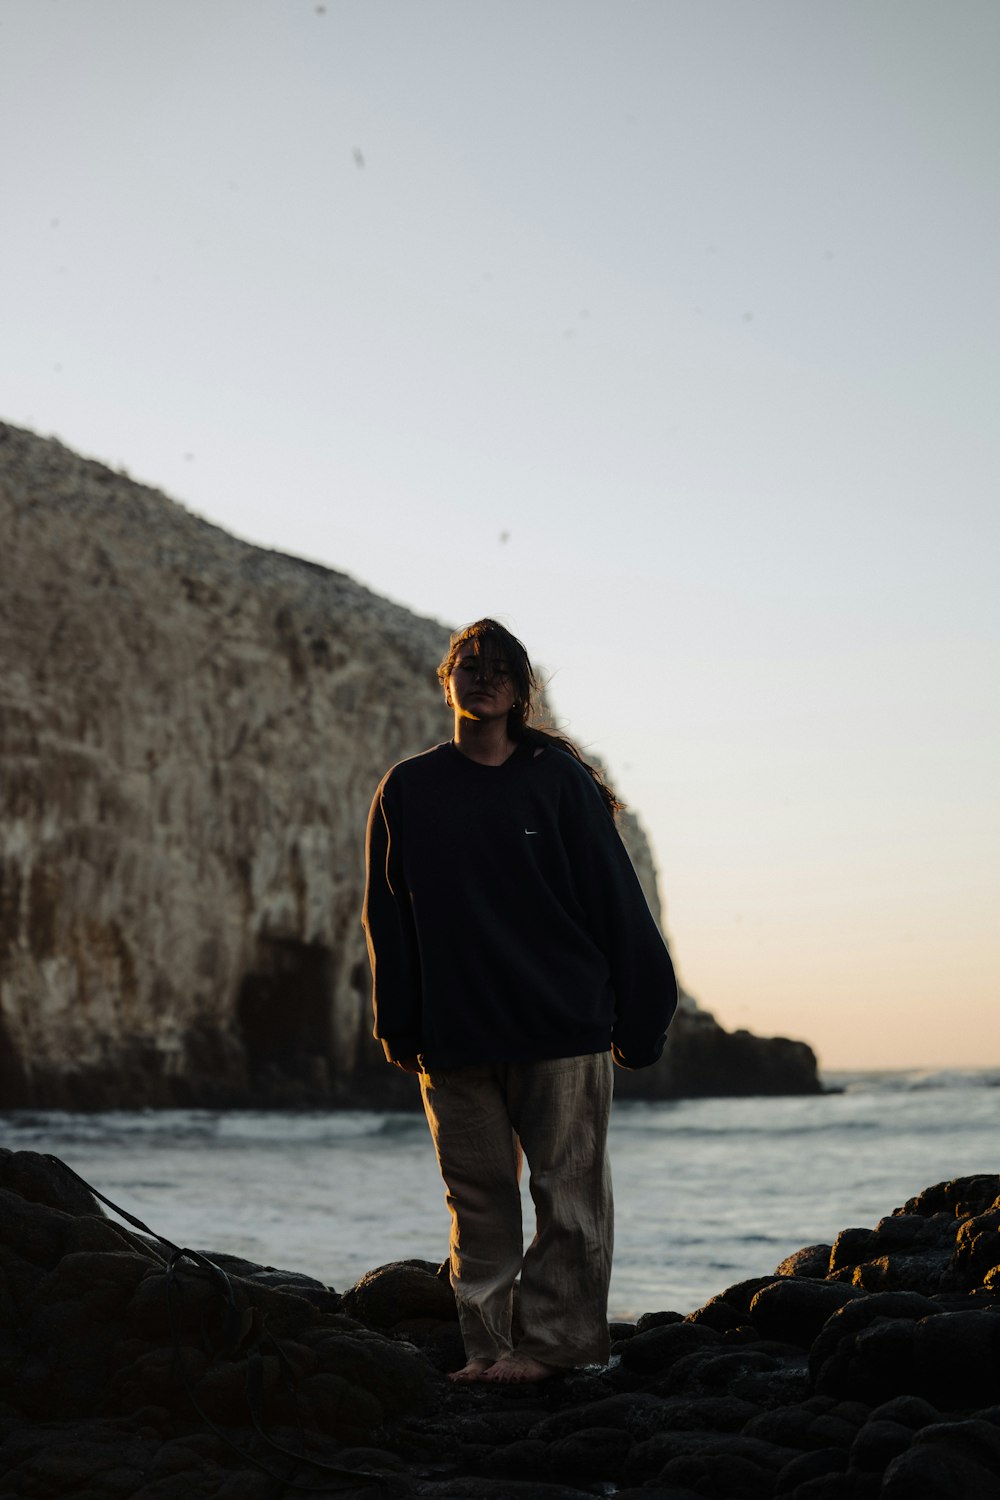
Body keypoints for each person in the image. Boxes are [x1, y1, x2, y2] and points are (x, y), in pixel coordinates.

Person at [362, 618, 677, 1384]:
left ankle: (557, 1347)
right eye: (468, 664)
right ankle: (490, 1351)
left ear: (521, 689)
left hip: (560, 1028)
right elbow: (387, 915)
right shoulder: (409, 788)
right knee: (479, 1208)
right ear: (447, 681)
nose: (482, 675)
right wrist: (398, 1023)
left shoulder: (557, 781)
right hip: (456, 1034)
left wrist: (642, 1016)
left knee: (568, 1200)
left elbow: (613, 900)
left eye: (498, 666)